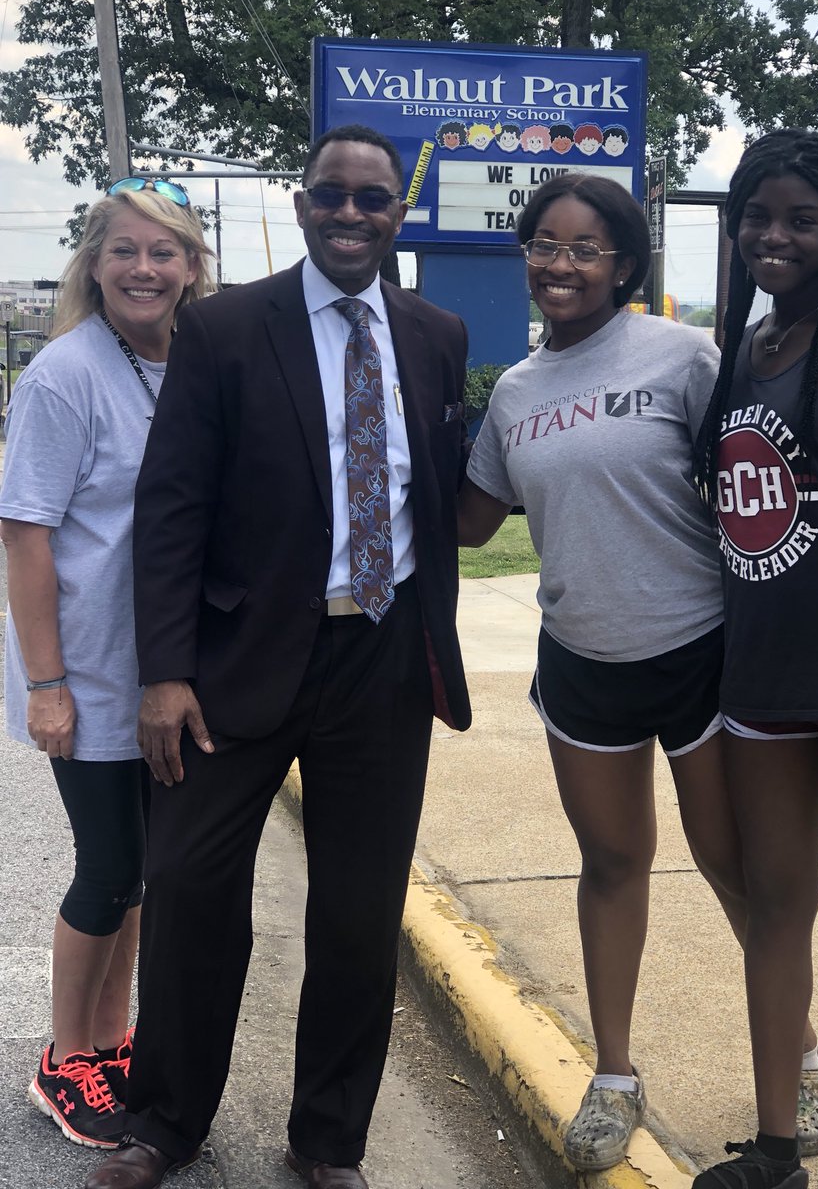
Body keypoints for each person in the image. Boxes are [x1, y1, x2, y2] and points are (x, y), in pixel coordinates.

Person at [85, 124, 471, 1189]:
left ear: (398, 213)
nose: (350, 213)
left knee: (359, 913)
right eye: (330, 194)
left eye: (371, 198)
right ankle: (164, 1124)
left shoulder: (436, 334)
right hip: (234, 663)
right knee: (191, 888)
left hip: (382, 661)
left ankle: (328, 1140)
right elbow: (172, 507)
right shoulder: (223, 328)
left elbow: (444, 491)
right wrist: (165, 672)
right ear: (301, 205)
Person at [457, 172, 818, 1174]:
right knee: (612, 864)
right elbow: (470, 521)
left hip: (700, 652)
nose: (561, 264)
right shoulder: (516, 392)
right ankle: (615, 1076)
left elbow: (764, 469)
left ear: (624, 263)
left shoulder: (683, 354)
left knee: (732, 868)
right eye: (545, 244)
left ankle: (797, 1056)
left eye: (585, 248)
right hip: (583, 662)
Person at [692, 129, 818, 1189]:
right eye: (757, 217)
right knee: (776, 913)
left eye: (801, 219)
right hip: (764, 680)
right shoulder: (750, 342)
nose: (773, 236)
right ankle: (777, 1152)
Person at [0, 181, 213, 1149]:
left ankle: (111, 1041)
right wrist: (48, 687)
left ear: (192, 267)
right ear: (93, 263)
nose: (143, 269)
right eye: (123, 250)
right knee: (110, 869)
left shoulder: (191, 363)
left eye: (163, 251)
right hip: (85, 673)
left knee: (144, 875)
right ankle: (63, 1059)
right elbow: (25, 534)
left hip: (159, 671)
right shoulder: (66, 375)